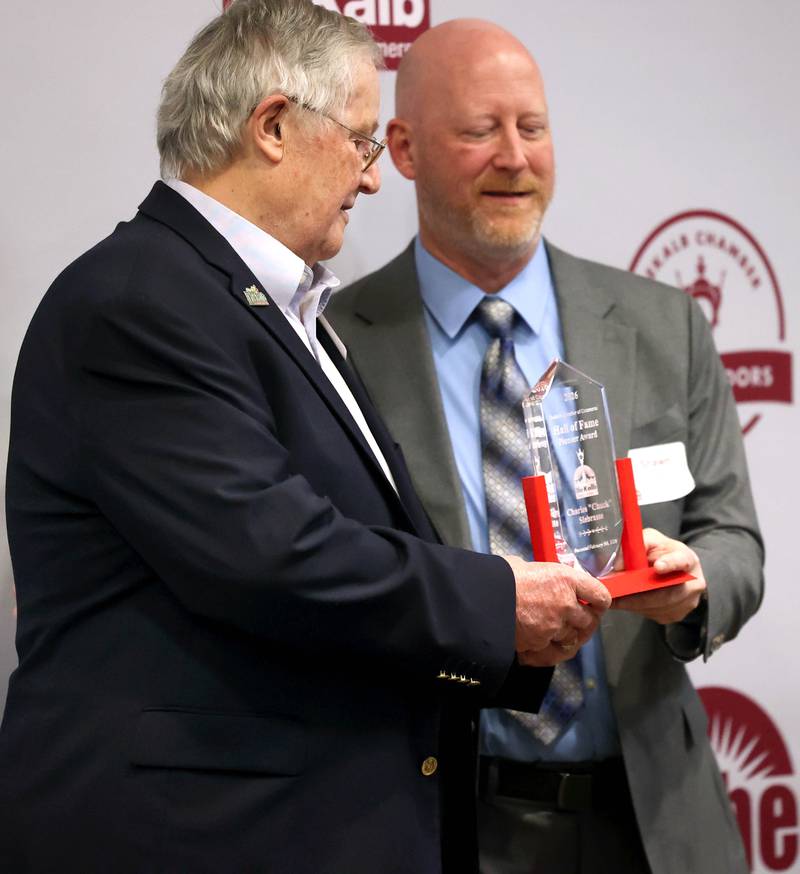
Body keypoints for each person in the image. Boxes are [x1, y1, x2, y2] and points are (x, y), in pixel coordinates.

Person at [0, 4, 614, 873]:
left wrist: (514, 640)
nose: (371, 182)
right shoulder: (138, 300)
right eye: (364, 144)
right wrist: (495, 604)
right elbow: (271, 552)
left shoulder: (277, 308)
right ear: (275, 126)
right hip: (198, 837)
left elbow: (366, 543)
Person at [330, 18, 764, 874]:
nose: (514, 157)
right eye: (479, 130)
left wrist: (696, 586)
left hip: (657, 821)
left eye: (531, 127)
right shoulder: (339, 346)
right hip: (444, 817)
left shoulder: (661, 324)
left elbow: (736, 537)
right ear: (406, 149)